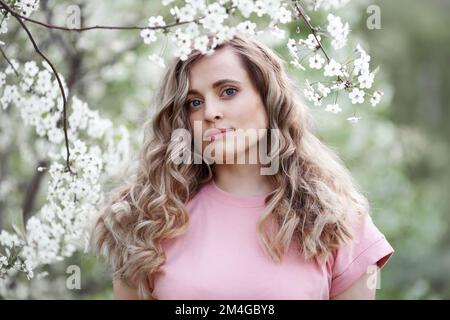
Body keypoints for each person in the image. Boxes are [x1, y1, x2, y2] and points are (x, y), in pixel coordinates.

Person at [91, 33, 394, 300]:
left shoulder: (336, 220)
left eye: (228, 91)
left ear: (268, 98)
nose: (210, 112)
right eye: (194, 102)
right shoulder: (146, 218)